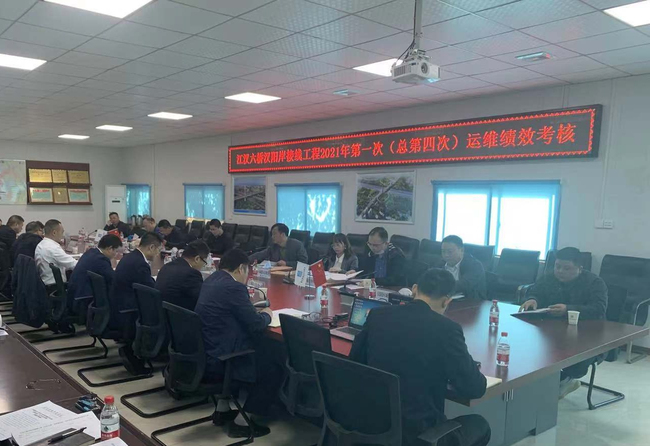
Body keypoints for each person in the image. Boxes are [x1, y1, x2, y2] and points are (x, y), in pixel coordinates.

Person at [350, 268, 490, 446]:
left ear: (415, 289)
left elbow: (354, 362)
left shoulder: (378, 315)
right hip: (417, 434)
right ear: (447, 301)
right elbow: (475, 388)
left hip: (370, 422)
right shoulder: (447, 329)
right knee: (480, 425)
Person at [195, 248, 280, 439]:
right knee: (273, 366)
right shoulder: (234, 287)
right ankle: (242, 422)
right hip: (222, 356)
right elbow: (256, 324)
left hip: (206, 349)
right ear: (241, 268)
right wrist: (267, 314)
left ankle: (223, 409)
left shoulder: (211, 280)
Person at [520, 247, 608, 398]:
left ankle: (566, 380)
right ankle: (538, 381)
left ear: (580, 269)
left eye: (566, 268)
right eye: (557, 266)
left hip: (586, 335)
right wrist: (533, 299)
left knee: (575, 356)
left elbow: (599, 308)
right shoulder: (548, 278)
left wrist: (568, 309)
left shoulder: (594, 283)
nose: (560, 271)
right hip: (551, 331)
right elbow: (535, 292)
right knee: (529, 346)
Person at [111, 231, 162, 374]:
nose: (157, 253)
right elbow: (150, 290)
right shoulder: (140, 263)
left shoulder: (131, 257)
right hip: (128, 308)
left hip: (119, 303)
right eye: (158, 250)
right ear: (151, 247)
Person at [67, 234, 121, 312]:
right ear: (110, 249)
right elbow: (113, 280)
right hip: (83, 300)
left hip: (74, 295)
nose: (116, 254)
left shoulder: (91, 252)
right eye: (116, 251)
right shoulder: (101, 260)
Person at [155, 240, 208, 311]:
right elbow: (202, 299)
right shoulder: (191, 274)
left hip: (161, 311)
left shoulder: (167, 266)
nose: (203, 266)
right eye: (204, 262)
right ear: (197, 259)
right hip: (178, 314)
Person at [35, 219, 77, 289]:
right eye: (62, 232)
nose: (62, 235)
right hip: (54, 287)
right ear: (54, 233)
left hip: (44, 283)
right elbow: (74, 265)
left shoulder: (41, 244)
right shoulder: (53, 248)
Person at [441, 235, 487, 300]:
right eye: (443, 251)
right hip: (445, 300)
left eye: (450, 252)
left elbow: (464, 285)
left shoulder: (474, 265)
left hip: (471, 301)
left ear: (462, 250)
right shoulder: (440, 264)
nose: (446, 255)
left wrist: (439, 286)